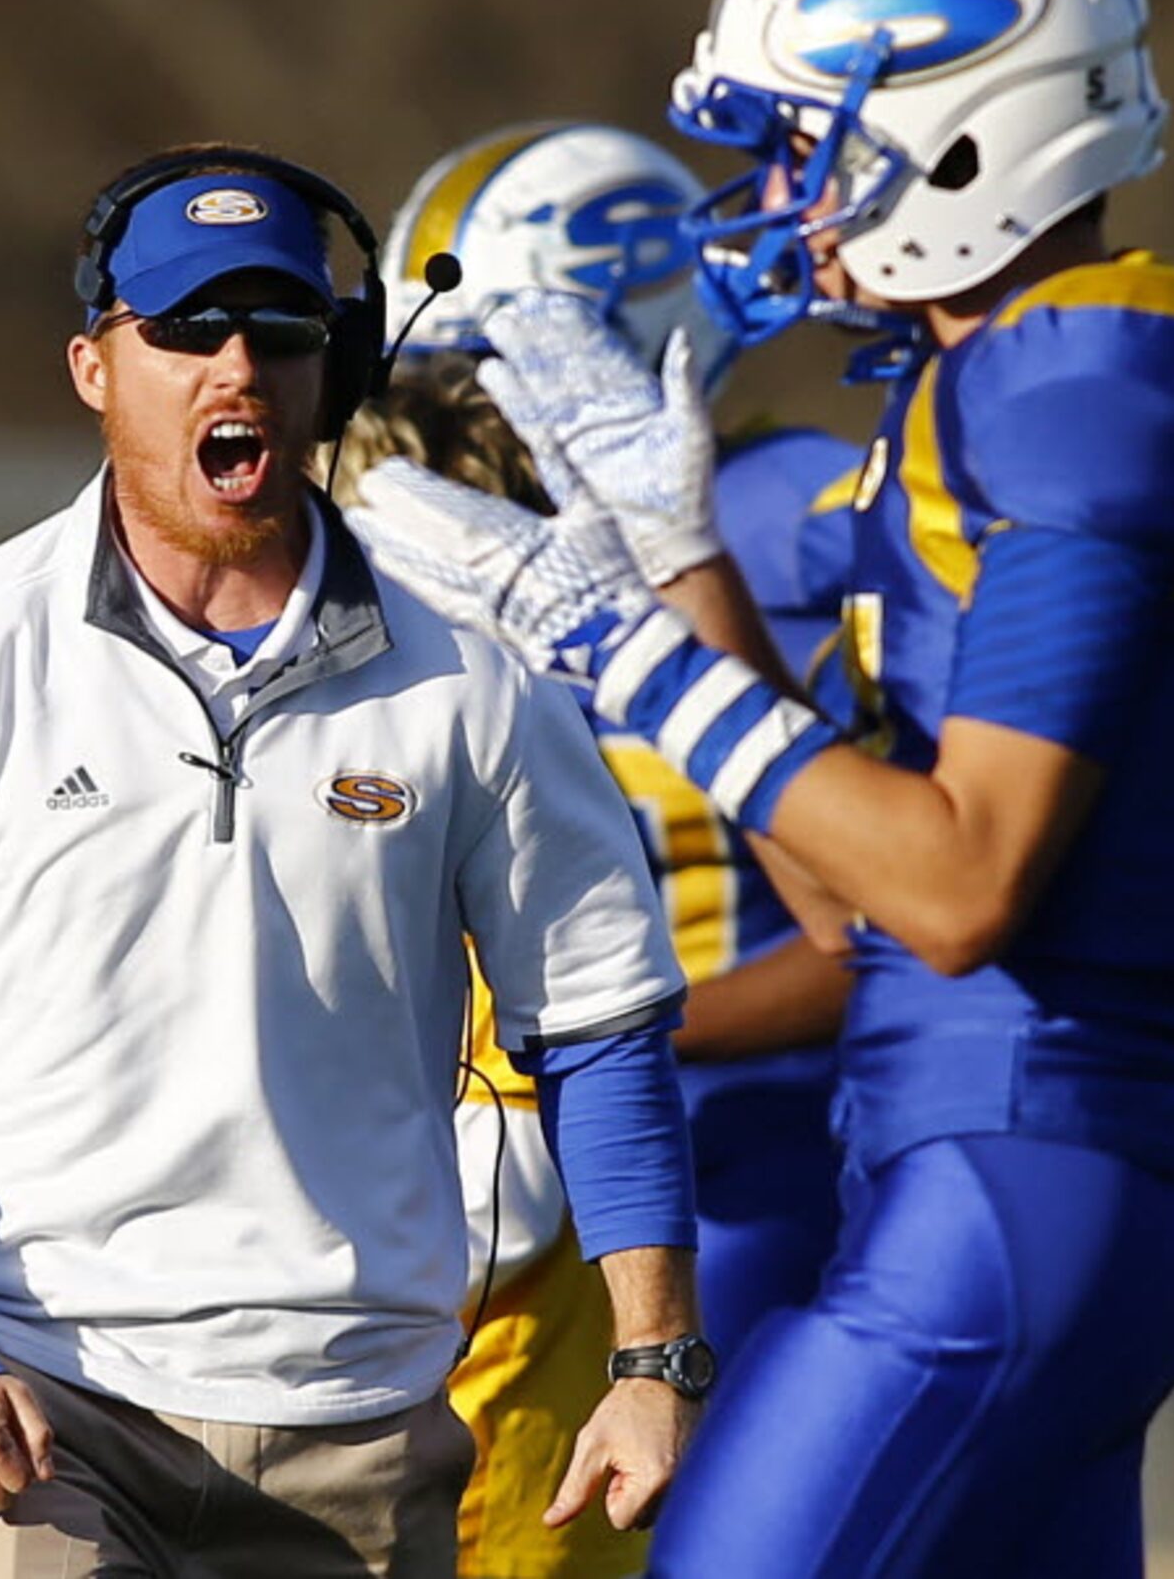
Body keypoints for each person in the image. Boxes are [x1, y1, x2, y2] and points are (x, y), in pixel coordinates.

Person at [349, 0, 1174, 1577]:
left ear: (959, 123)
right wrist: (675, 563)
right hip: (974, 1161)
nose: (783, 192)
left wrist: (608, 646)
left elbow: (955, 891)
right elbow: (841, 890)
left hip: (1017, 1163)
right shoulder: (984, 380)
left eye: (812, 138)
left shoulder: (1089, 362)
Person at [0, 145, 706, 1577]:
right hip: (39, 1414)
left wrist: (653, 1358)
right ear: (93, 365)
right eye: (186, 327)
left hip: (366, 1423)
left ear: (336, 366)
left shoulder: (477, 687)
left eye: (280, 329)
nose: (234, 365)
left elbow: (599, 1025)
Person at [337, 120, 862, 1578]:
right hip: (486, 1183)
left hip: (743, 1155)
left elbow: (881, 919)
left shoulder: (802, 512)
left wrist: (596, 1036)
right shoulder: (420, 530)